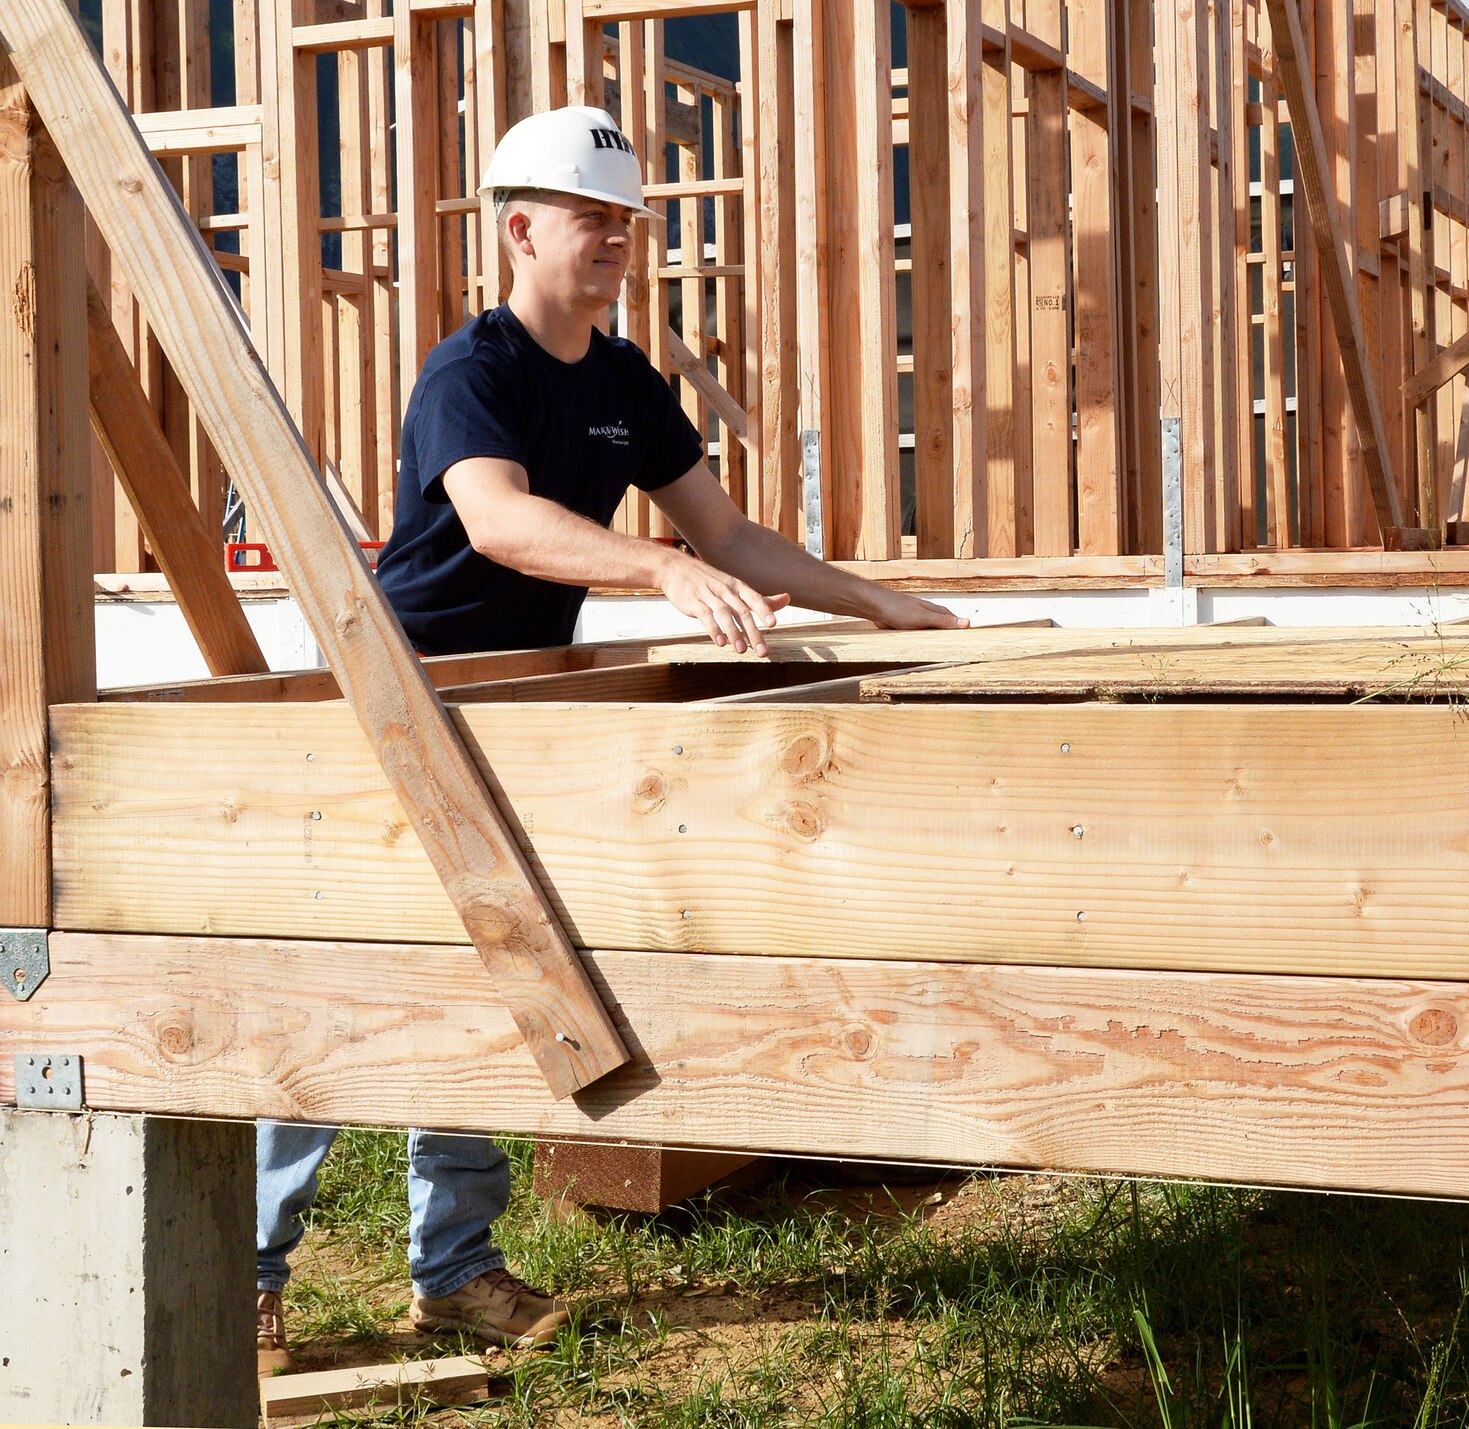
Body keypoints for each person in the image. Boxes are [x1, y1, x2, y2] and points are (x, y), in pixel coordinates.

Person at [256, 103, 966, 1375]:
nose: (618, 244)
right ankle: (245, 1275)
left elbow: (730, 535)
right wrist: (655, 568)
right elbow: (497, 524)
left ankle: (457, 1272)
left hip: (521, 703)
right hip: (400, 697)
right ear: (520, 228)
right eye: (596, 222)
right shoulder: (468, 373)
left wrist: (873, 598)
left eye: (629, 226)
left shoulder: (626, 380)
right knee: (344, 988)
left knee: (495, 980)